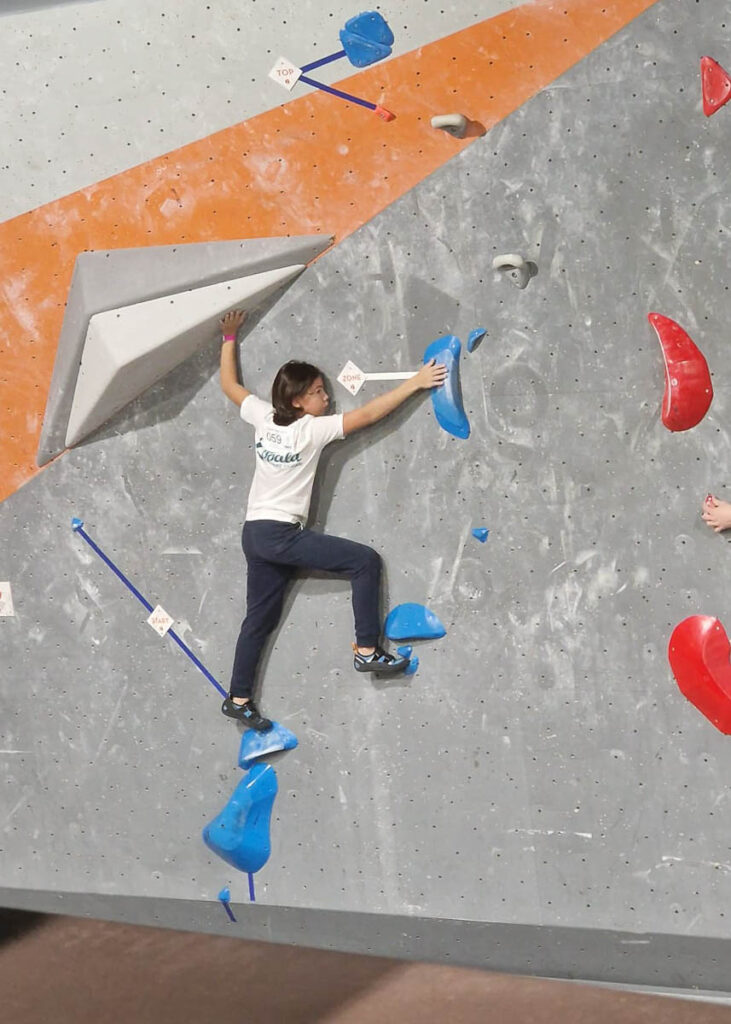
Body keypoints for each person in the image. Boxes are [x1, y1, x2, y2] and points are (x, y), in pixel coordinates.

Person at [218, 308, 448, 730]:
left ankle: (238, 697)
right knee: (365, 562)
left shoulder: (263, 417)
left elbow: (229, 385)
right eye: (319, 392)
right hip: (279, 535)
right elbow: (369, 414)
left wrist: (229, 339)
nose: (326, 398)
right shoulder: (312, 429)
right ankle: (366, 650)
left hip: (254, 534)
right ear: (297, 401)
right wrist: (415, 383)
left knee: (260, 620)